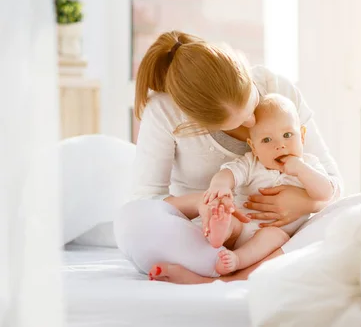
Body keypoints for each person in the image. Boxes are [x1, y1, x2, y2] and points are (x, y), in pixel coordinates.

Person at [113, 30, 343, 284]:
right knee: (130, 221)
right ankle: (229, 266)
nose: (252, 121)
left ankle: (224, 278)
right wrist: (205, 203)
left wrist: (304, 203)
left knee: (358, 210)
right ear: (197, 122)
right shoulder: (165, 112)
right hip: (206, 234)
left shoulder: (280, 92)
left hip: (279, 237)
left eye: (252, 104)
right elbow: (146, 201)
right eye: (236, 122)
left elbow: (334, 186)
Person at [201, 94, 335, 276]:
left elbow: (326, 193)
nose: (280, 146)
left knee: (276, 237)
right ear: (253, 146)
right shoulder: (251, 163)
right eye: (266, 140)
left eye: (287, 135)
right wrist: (221, 185)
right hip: (242, 224)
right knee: (228, 215)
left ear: (302, 136)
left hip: (270, 236)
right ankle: (219, 231)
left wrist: (301, 170)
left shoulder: (309, 164)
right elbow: (229, 172)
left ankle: (237, 259)